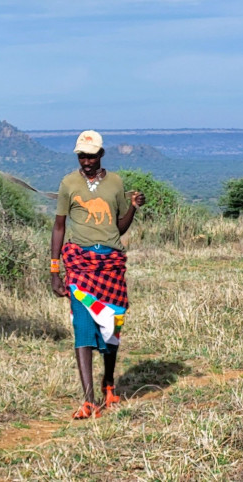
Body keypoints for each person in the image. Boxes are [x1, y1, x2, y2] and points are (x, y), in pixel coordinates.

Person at [50, 130, 146, 420]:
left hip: (110, 264)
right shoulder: (69, 183)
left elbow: (119, 228)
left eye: (91, 155)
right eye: (82, 155)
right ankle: (88, 400)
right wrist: (55, 269)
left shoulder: (116, 183)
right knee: (82, 327)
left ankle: (109, 383)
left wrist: (133, 207)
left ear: (101, 155)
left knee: (111, 330)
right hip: (78, 263)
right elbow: (58, 227)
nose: (86, 161)